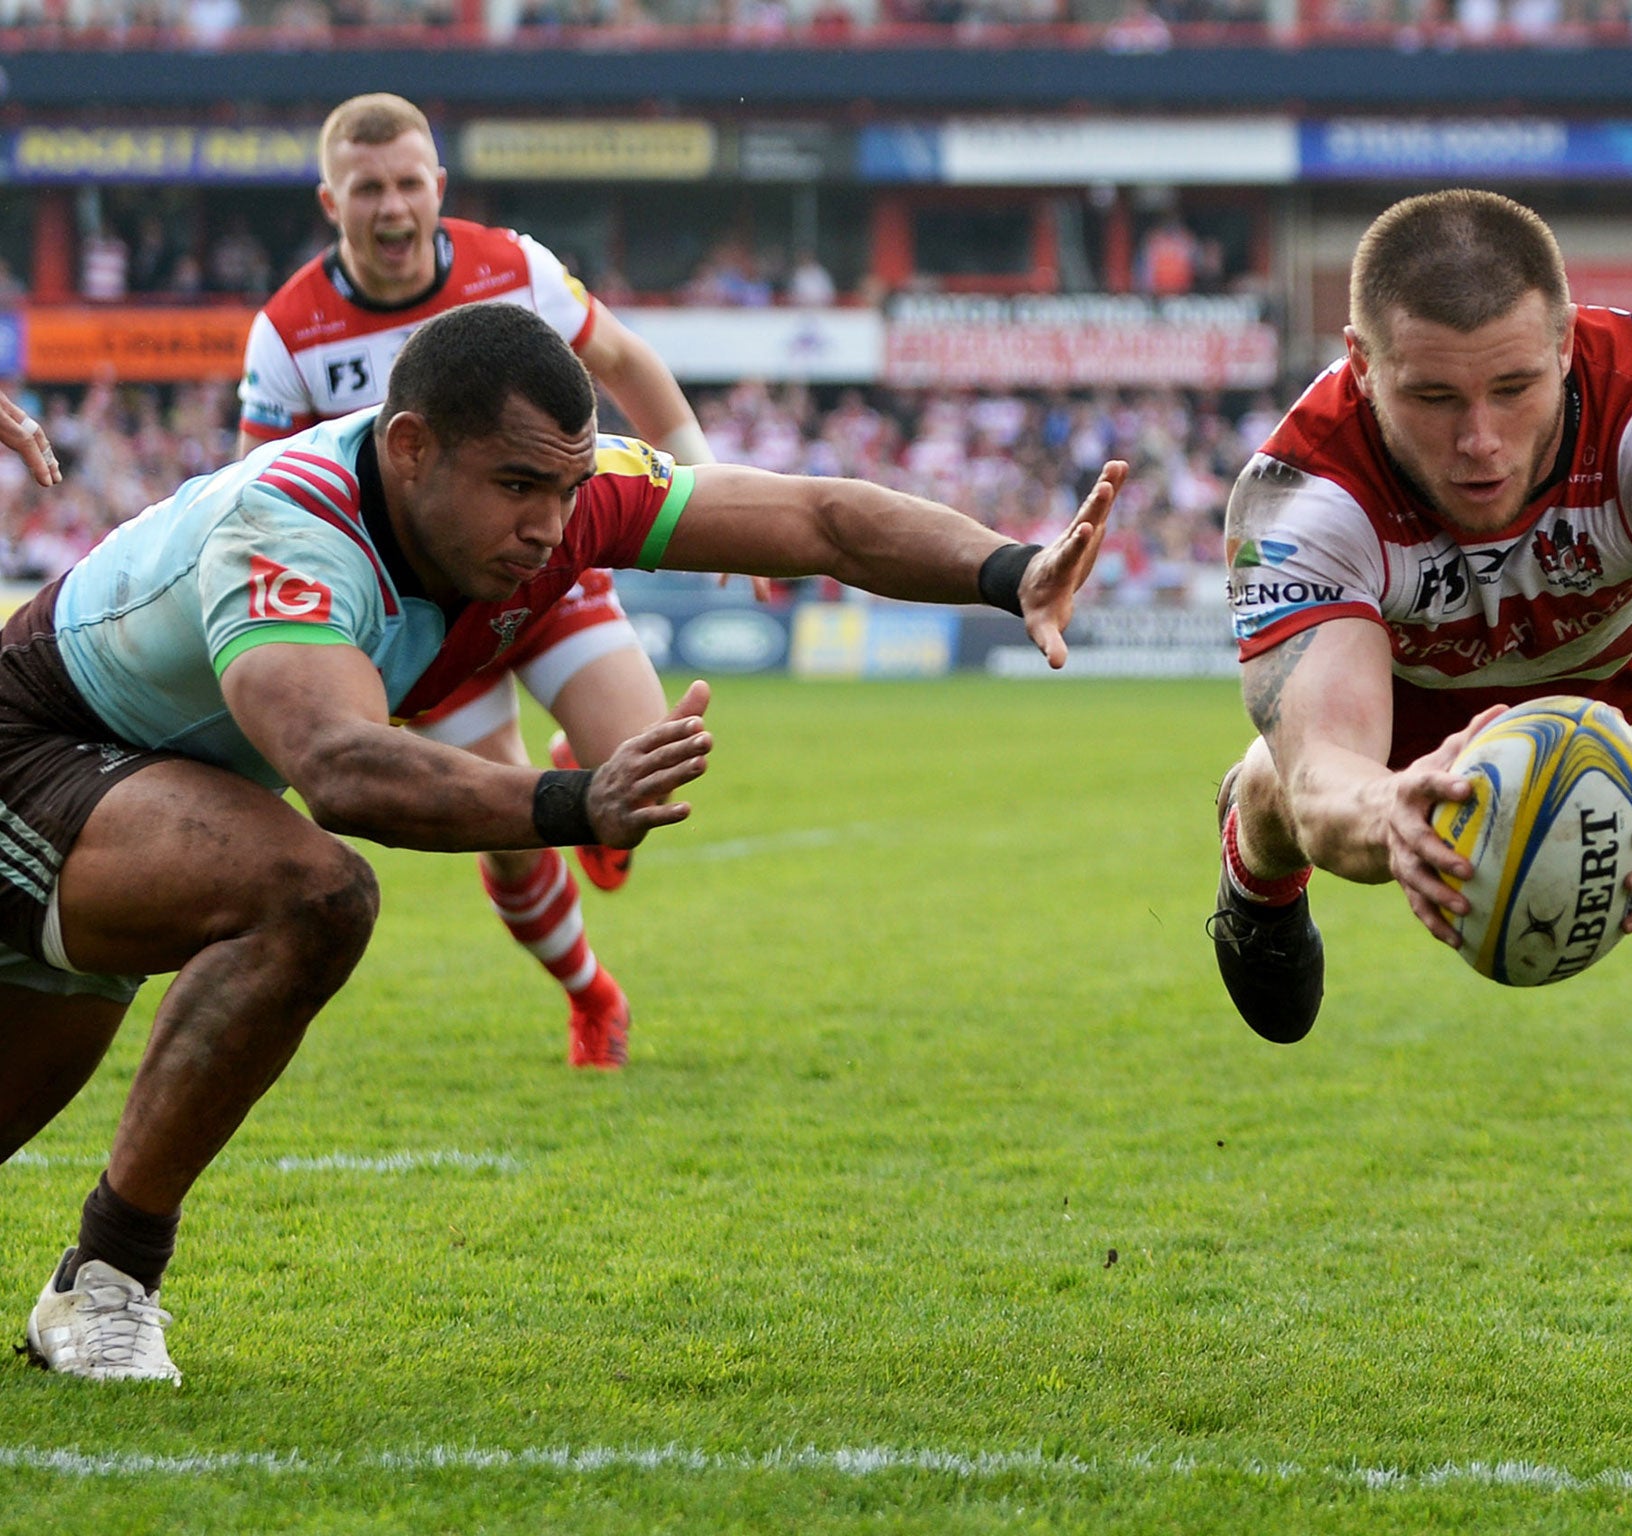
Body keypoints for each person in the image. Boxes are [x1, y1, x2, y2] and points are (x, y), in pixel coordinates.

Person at [3, 300, 1125, 1383]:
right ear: (408, 448)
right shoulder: (293, 525)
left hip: (146, 795)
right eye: (516, 487)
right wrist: (569, 804)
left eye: (567, 487)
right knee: (307, 891)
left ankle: (92, 1284)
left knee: (283, 894)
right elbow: (337, 769)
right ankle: (114, 1279)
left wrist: (1006, 569)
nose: (549, 527)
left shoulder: (561, 493)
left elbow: (813, 519)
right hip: (33, 751)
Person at [1208, 189, 1632, 1044]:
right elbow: (1324, 769)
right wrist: (1388, 815)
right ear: (1361, 361)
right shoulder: (1302, 497)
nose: (1480, 440)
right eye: (1435, 397)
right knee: (1277, 782)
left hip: (1608, 682)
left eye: (1515, 386)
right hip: (1405, 690)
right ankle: (1252, 885)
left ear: (1564, 340)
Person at [238, 93, 735, 1068]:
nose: (391, 208)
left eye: (408, 183)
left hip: (544, 565)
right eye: (366, 188)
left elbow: (626, 359)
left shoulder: (514, 267)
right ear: (328, 200)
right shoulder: (289, 333)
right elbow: (257, 502)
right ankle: (592, 994)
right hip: (423, 618)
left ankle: (580, 776)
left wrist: (708, 491)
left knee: (643, 761)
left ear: (439, 187)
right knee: (510, 828)